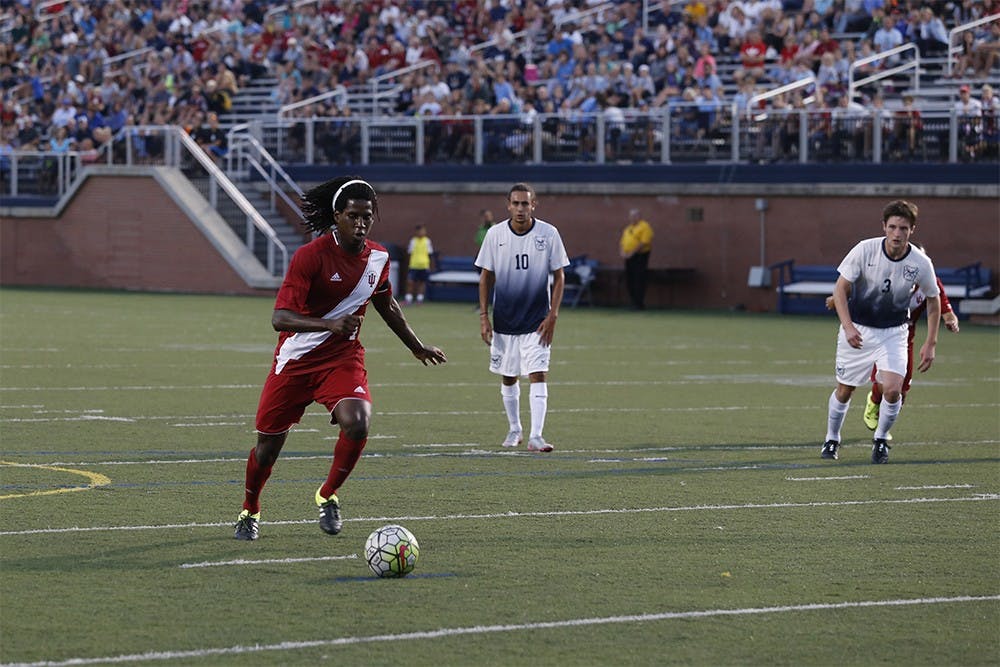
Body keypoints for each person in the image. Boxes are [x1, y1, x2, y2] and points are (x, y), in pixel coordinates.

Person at [234, 176, 447, 541]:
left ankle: (327, 494)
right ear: (337, 216)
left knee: (358, 421)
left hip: (342, 358)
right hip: (295, 361)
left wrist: (415, 345)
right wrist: (328, 323)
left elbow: (387, 304)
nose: (361, 224)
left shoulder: (378, 258)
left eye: (367, 217)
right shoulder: (310, 256)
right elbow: (279, 318)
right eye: (353, 216)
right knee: (267, 449)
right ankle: (249, 511)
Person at [821, 200, 941, 465]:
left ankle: (881, 439)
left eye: (904, 228)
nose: (898, 233)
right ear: (884, 227)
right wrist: (849, 327)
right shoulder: (865, 250)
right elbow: (840, 290)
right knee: (845, 389)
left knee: (893, 389)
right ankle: (832, 438)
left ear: (913, 230)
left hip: (894, 332)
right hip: (859, 331)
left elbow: (934, 301)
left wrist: (930, 342)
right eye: (893, 227)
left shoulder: (920, 262)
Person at [825, 243, 959, 439]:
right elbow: (866, 290)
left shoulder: (931, 283)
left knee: (900, 391)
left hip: (902, 337)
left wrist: (950, 322)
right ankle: (873, 401)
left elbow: (943, 308)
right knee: (860, 386)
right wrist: (837, 297)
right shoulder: (891, 272)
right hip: (872, 331)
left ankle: (881, 432)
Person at [476, 183, 569, 453]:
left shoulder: (548, 233)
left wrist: (553, 315)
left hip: (537, 322)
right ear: (508, 205)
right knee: (508, 376)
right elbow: (486, 277)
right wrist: (484, 316)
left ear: (533, 205)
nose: (520, 208)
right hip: (504, 320)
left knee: (538, 374)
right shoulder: (495, 235)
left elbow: (560, 276)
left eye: (525, 204)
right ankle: (515, 428)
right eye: (515, 203)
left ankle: (536, 436)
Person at [619, 208, 654, 310]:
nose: (633, 218)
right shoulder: (628, 228)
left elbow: (644, 242)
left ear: (639, 216)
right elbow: (622, 242)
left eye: (635, 216)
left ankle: (639, 303)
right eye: (631, 216)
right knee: (629, 280)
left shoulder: (644, 226)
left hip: (640, 256)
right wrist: (623, 252)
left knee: (638, 279)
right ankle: (632, 302)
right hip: (628, 257)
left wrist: (632, 253)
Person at [404, 224, 434, 305]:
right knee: (410, 282)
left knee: (422, 283)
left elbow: (430, 254)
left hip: (424, 265)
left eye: (423, 230)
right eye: (420, 231)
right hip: (414, 265)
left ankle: (419, 299)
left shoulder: (427, 241)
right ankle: (408, 299)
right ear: (416, 232)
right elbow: (409, 253)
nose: (421, 232)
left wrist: (431, 266)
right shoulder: (413, 241)